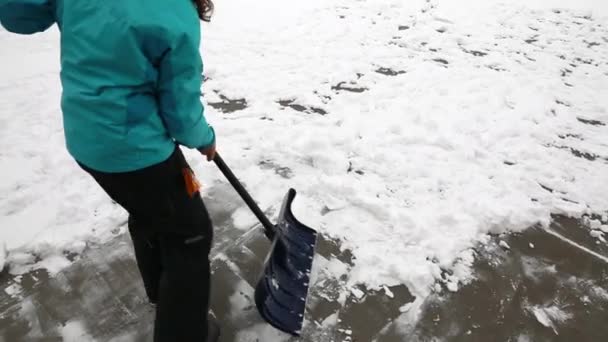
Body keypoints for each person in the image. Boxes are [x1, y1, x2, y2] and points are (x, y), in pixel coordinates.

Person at [0, 0, 220, 341]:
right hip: (135, 150)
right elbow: (181, 110)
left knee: (151, 212)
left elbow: (16, 15)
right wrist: (204, 138)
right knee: (191, 236)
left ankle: (163, 294)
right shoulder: (175, 13)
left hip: (87, 141)